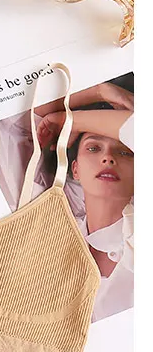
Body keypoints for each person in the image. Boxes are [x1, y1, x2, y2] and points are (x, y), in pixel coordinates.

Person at [34, 80, 134, 321]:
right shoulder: (53, 224)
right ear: (75, 169)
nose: (108, 158)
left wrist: (69, 121)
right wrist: (100, 91)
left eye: (125, 152)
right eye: (93, 148)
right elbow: (14, 121)